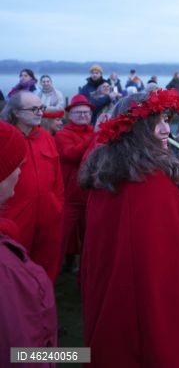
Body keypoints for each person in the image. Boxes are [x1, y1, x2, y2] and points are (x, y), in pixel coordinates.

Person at [79, 90, 179, 366]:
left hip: (111, 298)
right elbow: (173, 260)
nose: (166, 129)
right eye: (155, 123)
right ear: (135, 130)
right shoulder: (150, 186)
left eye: (166, 120)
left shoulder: (107, 175)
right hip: (140, 307)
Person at [0, 120, 58, 360]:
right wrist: (75, 356)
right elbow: (21, 353)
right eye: (16, 164)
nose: (20, 171)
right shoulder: (6, 269)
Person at [0, 91, 64, 282]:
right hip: (14, 213)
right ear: (16, 112)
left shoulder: (46, 137)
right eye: (34, 109)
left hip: (48, 213)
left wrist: (58, 206)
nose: (40, 113)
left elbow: (57, 177)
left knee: (47, 260)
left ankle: (44, 294)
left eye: (41, 108)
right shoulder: (4, 139)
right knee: (14, 264)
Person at [55, 94, 96, 272]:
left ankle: (86, 272)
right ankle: (51, 273)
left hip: (90, 195)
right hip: (70, 196)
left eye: (86, 113)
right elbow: (72, 155)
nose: (83, 116)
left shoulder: (94, 133)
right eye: (78, 112)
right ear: (70, 115)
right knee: (62, 237)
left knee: (90, 237)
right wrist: (95, 137)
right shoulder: (63, 134)